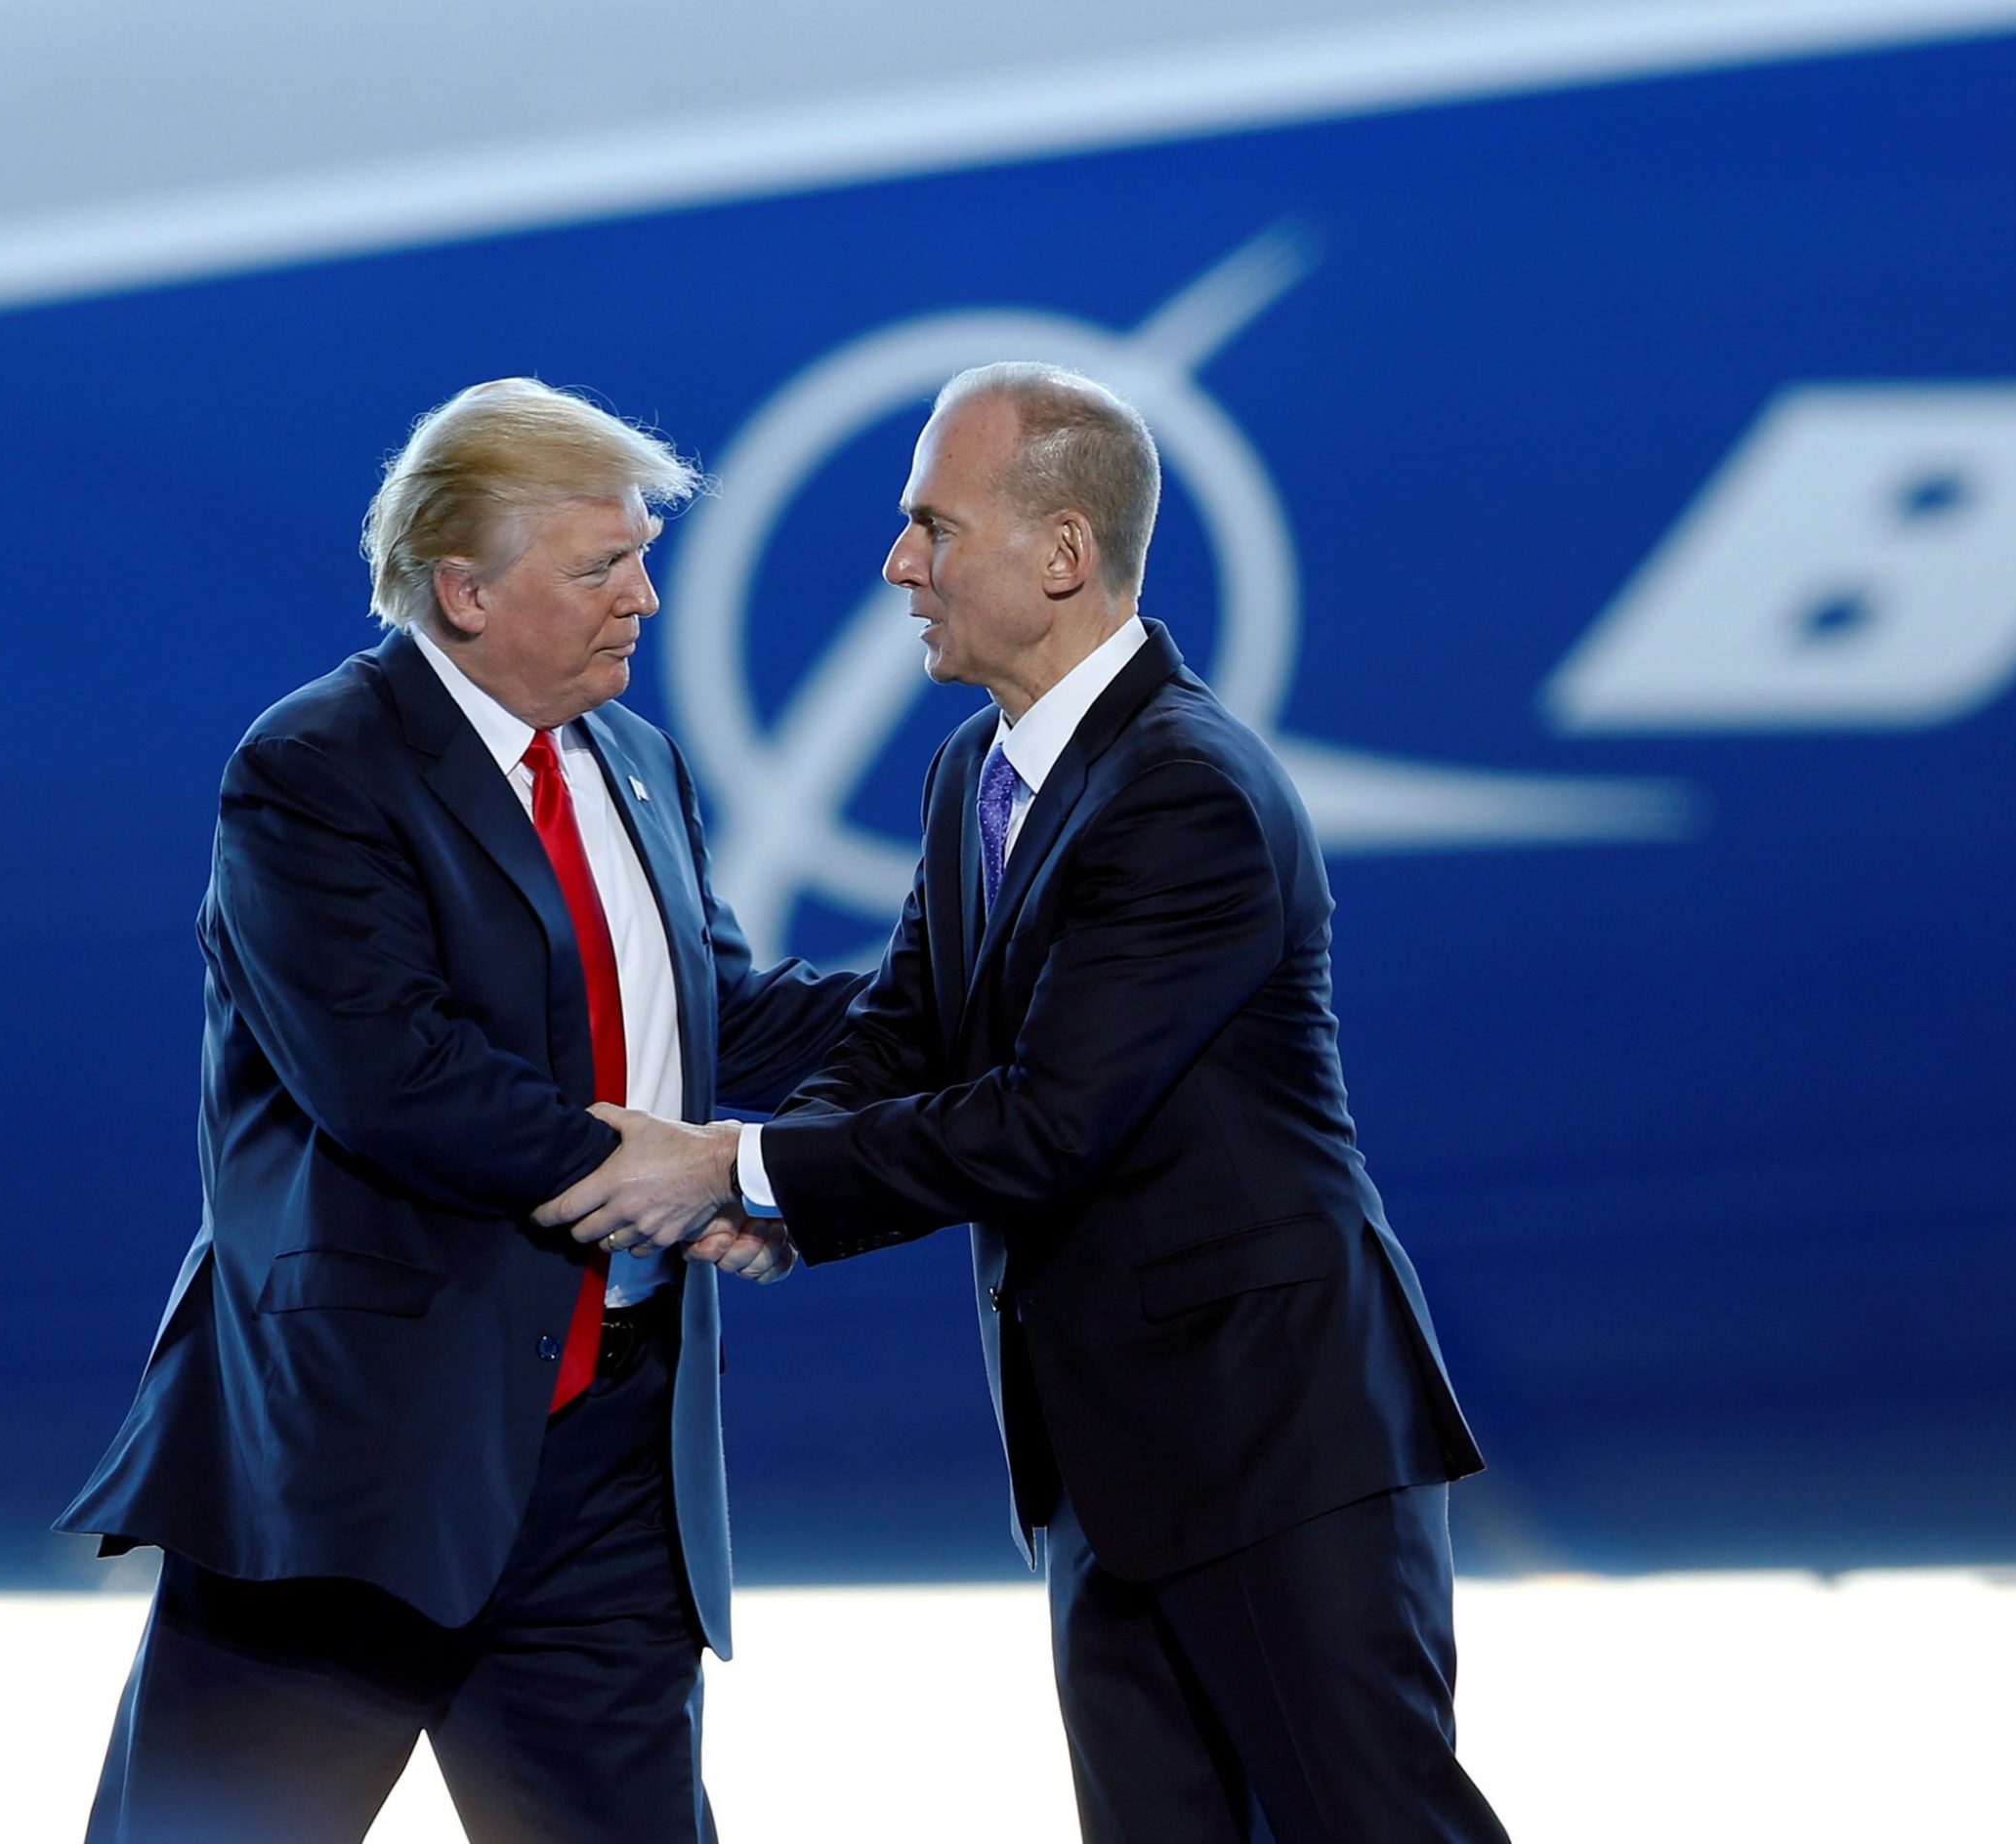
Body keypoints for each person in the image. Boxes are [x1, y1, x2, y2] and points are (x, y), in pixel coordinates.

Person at [533, 362, 1510, 1842]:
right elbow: (908, 1035)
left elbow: (1050, 1121)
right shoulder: (974, 777)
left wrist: (735, 1167)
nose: (897, 565)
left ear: (1060, 555)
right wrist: (768, 1193)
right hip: (1109, 1466)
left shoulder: (1184, 794)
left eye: (933, 526)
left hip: (1274, 1450)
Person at [58, 378, 861, 1844]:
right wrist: (683, 1181)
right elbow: (392, 1077)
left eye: (640, 554)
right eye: (601, 566)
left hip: (613, 1471)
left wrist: (981, 1004)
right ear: (464, 590)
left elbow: (717, 1016)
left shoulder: (637, 761)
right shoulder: (313, 770)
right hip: (359, 1472)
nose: (648, 597)